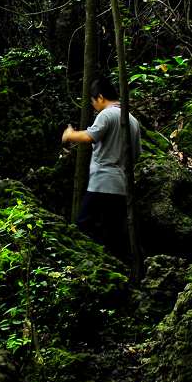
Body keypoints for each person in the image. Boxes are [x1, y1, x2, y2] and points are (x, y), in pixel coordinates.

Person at [61, 76, 142, 260]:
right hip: (122, 186)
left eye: (93, 102)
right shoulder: (132, 120)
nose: (94, 106)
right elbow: (136, 155)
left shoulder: (107, 114)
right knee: (112, 232)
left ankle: (89, 264)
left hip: (103, 182)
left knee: (83, 224)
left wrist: (70, 135)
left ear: (100, 97)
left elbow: (90, 136)